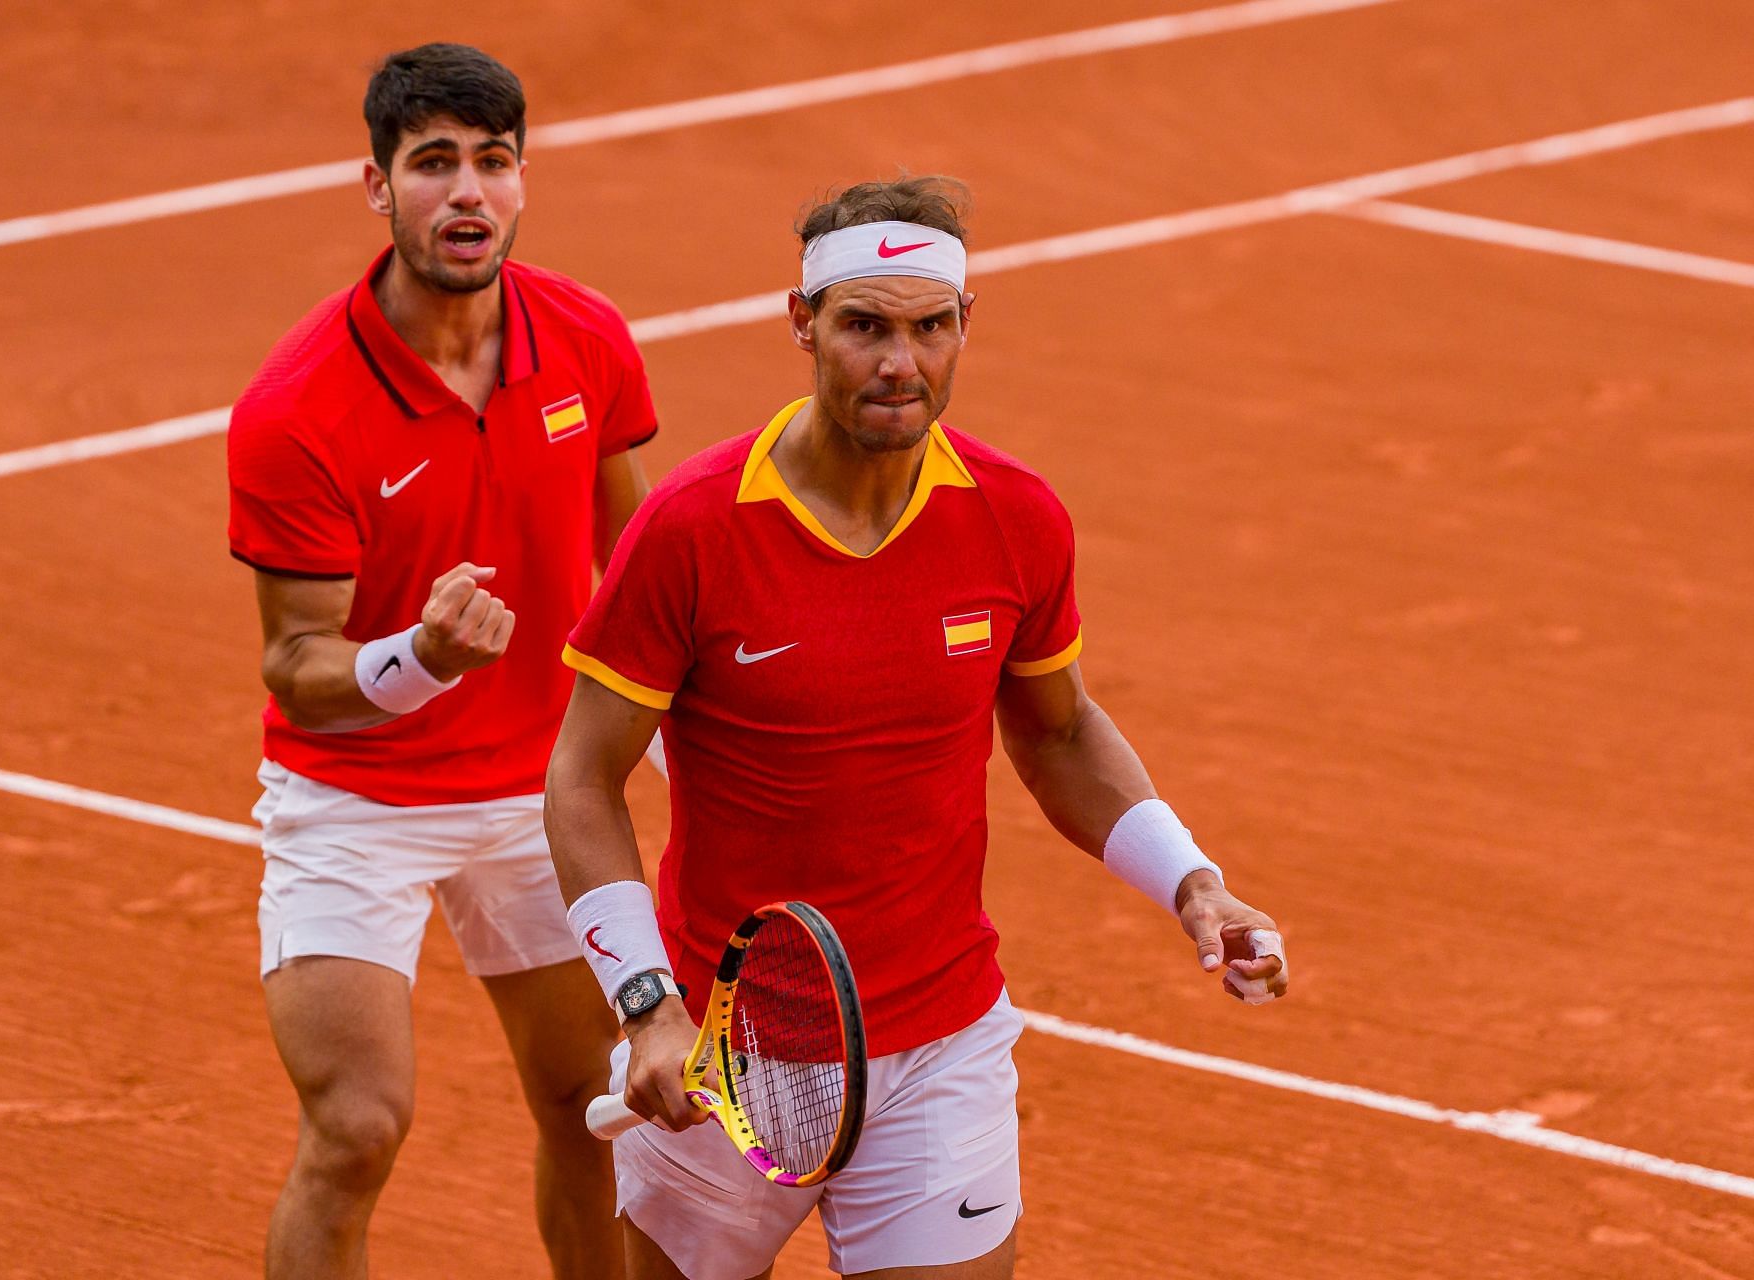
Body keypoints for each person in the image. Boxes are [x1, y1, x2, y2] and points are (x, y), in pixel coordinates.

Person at [543, 176, 1289, 1280]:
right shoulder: (693, 529)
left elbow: (1060, 732)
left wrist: (1192, 880)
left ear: (965, 324)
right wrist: (646, 1002)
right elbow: (582, 780)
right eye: (865, 327)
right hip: (726, 1045)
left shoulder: (1014, 515)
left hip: (941, 1042)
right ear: (802, 324)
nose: (902, 363)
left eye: (930, 326)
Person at [225, 43, 657, 1280]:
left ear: (522, 180)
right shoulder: (298, 407)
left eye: (493, 161)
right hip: (356, 800)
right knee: (356, 1127)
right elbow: (297, 659)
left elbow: (630, 555)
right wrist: (414, 657)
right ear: (377, 185)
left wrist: (683, 715)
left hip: (541, 793)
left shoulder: (584, 337)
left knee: (596, 1100)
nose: (467, 191)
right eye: (432, 165)